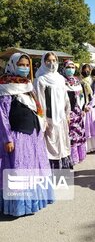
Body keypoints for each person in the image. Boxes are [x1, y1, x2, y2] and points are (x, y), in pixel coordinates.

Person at [0, 53, 53, 216]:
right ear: (13, 65)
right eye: (21, 64)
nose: (24, 68)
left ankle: (35, 202)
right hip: (18, 136)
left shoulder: (28, 85)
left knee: (34, 168)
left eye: (26, 65)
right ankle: (19, 207)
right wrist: (7, 138)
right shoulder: (5, 85)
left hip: (33, 135)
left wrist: (42, 124)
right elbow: (2, 114)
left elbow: (37, 109)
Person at [34, 51, 72, 169]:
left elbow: (66, 98)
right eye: (48, 61)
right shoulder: (40, 80)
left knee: (62, 142)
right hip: (49, 119)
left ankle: (64, 168)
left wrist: (67, 114)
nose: (51, 63)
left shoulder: (60, 79)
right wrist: (43, 119)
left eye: (54, 60)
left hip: (61, 118)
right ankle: (52, 170)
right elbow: (39, 102)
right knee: (51, 145)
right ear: (43, 62)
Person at [63, 60, 86, 164]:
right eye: (68, 67)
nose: (70, 69)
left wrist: (83, 107)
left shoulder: (77, 80)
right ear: (64, 68)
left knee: (79, 133)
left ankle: (80, 155)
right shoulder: (62, 81)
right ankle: (72, 158)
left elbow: (81, 95)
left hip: (78, 110)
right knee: (71, 135)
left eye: (72, 67)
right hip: (68, 111)